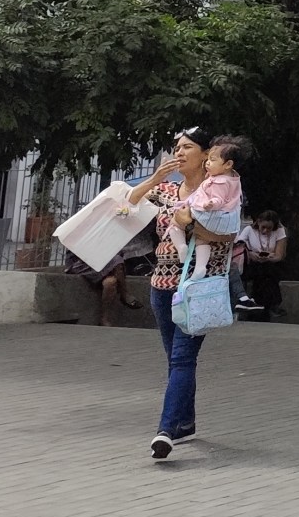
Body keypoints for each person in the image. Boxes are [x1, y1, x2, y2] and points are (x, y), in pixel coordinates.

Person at [118, 130, 240, 459]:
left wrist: (189, 224)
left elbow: (227, 237)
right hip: (161, 285)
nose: (180, 152)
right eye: (177, 147)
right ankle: (186, 423)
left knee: (182, 359)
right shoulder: (167, 189)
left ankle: (166, 430)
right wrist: (156, 177)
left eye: (188, 147)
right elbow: (126, 205)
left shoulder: (223, 188)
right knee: (176, 360)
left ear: (206, 155)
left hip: (198, 287)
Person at [236, 209, 288, 317]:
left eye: (269, 228)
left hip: (271, 264)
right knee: (263, 272)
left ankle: (261, 305)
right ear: (258, 222)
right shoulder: (249, 230)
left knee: (267, 272)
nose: (265, 231)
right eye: (263, 227)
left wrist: (269, 257)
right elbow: (240, 246)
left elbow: (279, 255)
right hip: (253, 264)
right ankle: (272, 305)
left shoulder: (279, 231)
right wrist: (250, 254)